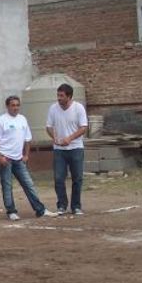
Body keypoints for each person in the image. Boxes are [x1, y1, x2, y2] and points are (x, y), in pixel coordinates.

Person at [0, 96, 58, 221]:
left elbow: (27, 139)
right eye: (13, 105)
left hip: (18, 159)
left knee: (28, 183)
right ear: (7, 106)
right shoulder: (1, 120)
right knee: (7, 185)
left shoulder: (22, 119)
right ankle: (11, 211)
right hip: (5, 158)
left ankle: (40, 210)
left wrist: (26, 155)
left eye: (17, 105)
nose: (15, 108)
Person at [46, 83, 88, 215]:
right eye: (58, 95)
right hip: (59, 150)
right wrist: (55, 137)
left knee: (77, 178)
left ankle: (76, 206)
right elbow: (48, 126)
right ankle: (61, 205)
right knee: (58, 178)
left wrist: (70, 138)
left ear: (69, 96)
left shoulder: (78, 108)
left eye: (61, 96)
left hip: (76, 148)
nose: (58, 98)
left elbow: (83, 128)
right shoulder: (53, 108)